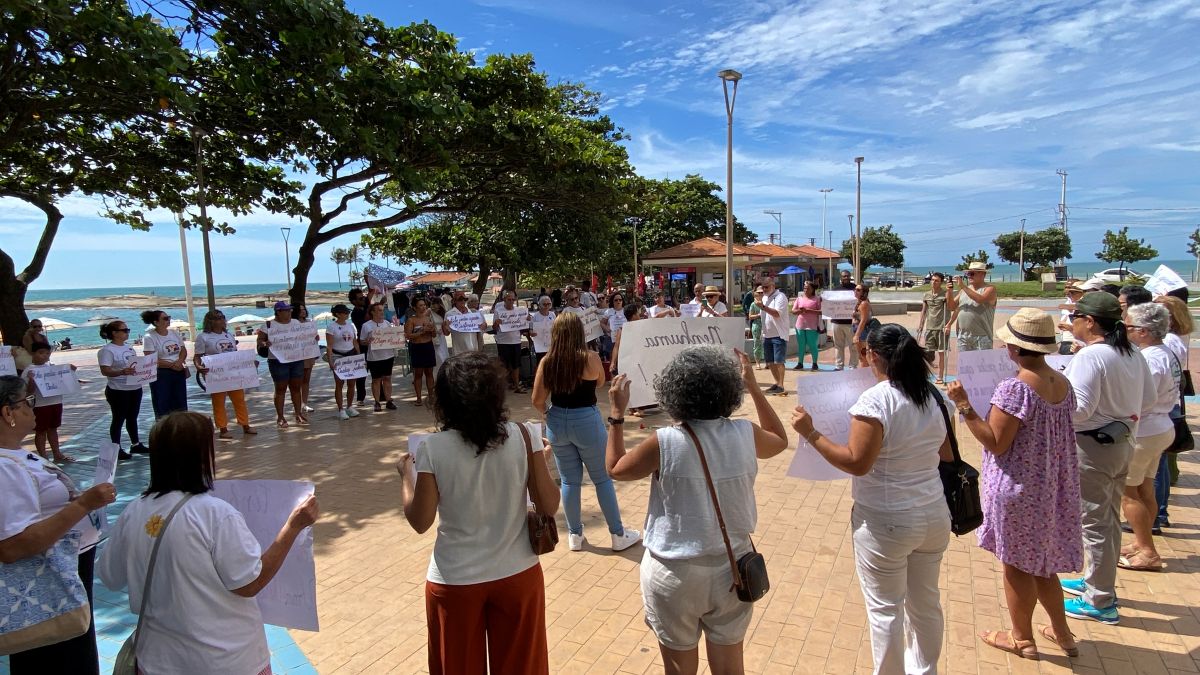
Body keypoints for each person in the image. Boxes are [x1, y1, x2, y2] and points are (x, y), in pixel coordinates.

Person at [604, 346, 788, 674]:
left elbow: (616, 468)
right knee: (731, 668)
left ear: (675, 391)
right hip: (733, 567)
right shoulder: (745, 433)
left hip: (673, 573)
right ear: (728, 390)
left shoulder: (665, 441)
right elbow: (779, 439)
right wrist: (754, 387)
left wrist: (617, 415)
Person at [97, 411, 318, 675]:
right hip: (225, 660)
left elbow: (109, 577)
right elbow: (249, 583)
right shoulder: (215, 513)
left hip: (157, 660)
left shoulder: (133, 511)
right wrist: (292, 528)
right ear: (200, 456)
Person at [791, 324, 953, 674]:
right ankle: (926, 670)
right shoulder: (935, 396)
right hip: (933, 512)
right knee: (926, 603)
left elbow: (857, 463)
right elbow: (947, 455)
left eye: (863, 353)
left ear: (874, 356)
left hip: (886, 518)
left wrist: (811, 433)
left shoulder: (877, 400)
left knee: (885, 609)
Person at [397, 352, 559, 675]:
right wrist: (539, 460)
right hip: (518, 573)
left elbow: (421, 520)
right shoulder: (525, 435)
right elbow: (549, 506)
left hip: (455, 579)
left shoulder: (433, 448)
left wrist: (405, 476)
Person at [946, 309, 1082, 659]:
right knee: (1043, 565)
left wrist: (965, 406)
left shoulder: (1014, 387)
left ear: (1015, 348)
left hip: (1018, 488)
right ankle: (1063, 633)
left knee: (1017, 566)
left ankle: (1021, 638)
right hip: (1050, 488)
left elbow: (995, 441)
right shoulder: (1062, 382)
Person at [0, 376, 116, 675]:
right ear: (7, 413)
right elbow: (14, 545)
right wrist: (82, 505)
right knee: (58, 661)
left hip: (62, 576)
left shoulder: (15, 456)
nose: (32, 408)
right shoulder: (4, 468)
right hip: (45, 584)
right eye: (26, 402)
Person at [1059, 291, 1156, 625]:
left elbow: (1080, 409)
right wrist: (1119, 414)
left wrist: (1053, 406)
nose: (1072, 322)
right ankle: (1095, 581)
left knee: (1095, 522)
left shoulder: (1091, 356)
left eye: (1075, 317)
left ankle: (1099, 600)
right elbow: (1150, 399)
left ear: (1089, 321)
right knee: (1108, 519)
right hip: (1121, 440)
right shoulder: (1131, 353)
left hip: (1092, 446)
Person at [531, 312, 640, 553]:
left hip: (558, 420)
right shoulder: (590, 358)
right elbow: (600, 383)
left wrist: (549, 413)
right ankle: (617, 534)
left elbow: (537, 400)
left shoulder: (547, 361)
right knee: (602, 479)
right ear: (580, 332)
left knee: (569, 481)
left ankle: (574, 534)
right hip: (586, 420)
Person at [1118, 303, 1179, 572]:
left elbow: (1144, 397)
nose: (1125, 331)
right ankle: (1143, 539)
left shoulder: (1152, 358)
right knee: (1144, 488)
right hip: (1160, 427)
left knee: (1127, 493)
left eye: (1129, 327)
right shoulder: (1164, 353)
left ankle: (1148, 551)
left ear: (1143, 331)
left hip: (1146, 430)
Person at [1155, 295, 1193, 525]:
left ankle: (1157, 515)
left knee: (1157, 469)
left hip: (1162, 410)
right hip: (1170, 407)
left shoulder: (1167, 342)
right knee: (1162, 467)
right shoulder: (1175, 340)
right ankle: (1160, 512)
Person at [193, 310, 257, 438]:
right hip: (216, 375)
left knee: (239, 399)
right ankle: (223, 428)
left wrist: (249, 362)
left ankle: (245, 424)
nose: (222, 320)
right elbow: (197, 356)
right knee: (218, 401)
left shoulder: (228, 335)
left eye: (223, 317)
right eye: (218, 318)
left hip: (232, 373)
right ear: (211, 321)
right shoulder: (203, 337)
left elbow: (235, 354)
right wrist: (199, 367)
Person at [97, 320, 147, 459]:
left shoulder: (129, 348)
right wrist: (121, 372)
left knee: (132, 417)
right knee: (118, 418)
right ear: (114, 333)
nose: (127, 333)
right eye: (124, 330)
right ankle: (116, 448)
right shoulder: (107, 350)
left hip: (135, 387)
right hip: (118, 389)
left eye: (127, 330)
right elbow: (105, 370)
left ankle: (135, 443)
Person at [256, 301, 310, 427]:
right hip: (277, 360)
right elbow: (260, 340)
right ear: (278, 312)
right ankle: (280, 417)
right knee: (280, 389)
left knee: (296, 388)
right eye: (286, 310)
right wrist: (264, 344)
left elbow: (304, 336)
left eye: (289, 310)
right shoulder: (268, 325)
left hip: (296, 359)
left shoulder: (296, 323)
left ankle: (298, 414)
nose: (289, 312)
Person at [24, 341, 78, 462]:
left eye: (47, 353)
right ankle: (43, 457)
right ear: (32, 354)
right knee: (41, 431)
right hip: (40, 405)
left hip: (55, 402)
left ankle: (57, 454)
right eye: (41, 353)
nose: (45, 356)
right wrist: (32, 380)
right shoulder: (29, 370)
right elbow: (28, 392)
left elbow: (63, 380)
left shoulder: (51, 367)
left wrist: (71, 371)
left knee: (53, 429)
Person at [141, 309, 189, 418]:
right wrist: (172, 365)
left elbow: (183, 350)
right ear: (156, 322)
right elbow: (150, 358)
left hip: (178, 371)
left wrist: (180, 362)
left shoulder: (174, 333)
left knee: (180, 402)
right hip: (161, 374)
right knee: (163, 404)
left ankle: (181, 428)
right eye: (165, 318)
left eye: (169, 317)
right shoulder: (149, 337)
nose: (168, 320)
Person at [947, 262, 997, 351]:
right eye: (968, 274)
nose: (969, 276)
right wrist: (949, 292)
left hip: (982, 336)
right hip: (963, 336)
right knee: (965, 364)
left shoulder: (990, 289)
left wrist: (963, 286)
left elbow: (980, 299)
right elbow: (951, 307)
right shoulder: (964, 291)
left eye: (972, 273)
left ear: (983, 274)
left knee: (982, 364)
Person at [359, 302, 399, 411]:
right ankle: (377, 402)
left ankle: (388, 400)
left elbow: (393, 336)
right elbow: (362, 341)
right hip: (374, 357)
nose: (382, 312)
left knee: (387, 378)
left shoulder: (387, 323)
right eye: (380, 310)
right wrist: (367, 341)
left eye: (382, 310)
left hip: (388, 356)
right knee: (376, 380)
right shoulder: (366, 326)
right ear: (373, 312)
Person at [325, 304, 361, 420]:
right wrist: (330, 361)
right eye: (345, 312)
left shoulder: (351, 325)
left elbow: (354, 341)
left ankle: (349, 406)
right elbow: (329, 346)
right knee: (339, 384)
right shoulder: (331, 327)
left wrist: (359, 356)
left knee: (352, 383)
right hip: (338, 356)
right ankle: (340, 409)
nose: (347, 314)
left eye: (347, 312)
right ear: (338, 314)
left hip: (351, 356)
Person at [757, 276, 790, 393]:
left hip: (778, 334)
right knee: (770, 362)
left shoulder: (780, 297)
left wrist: (763, 307)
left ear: (773, 286)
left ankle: (781, 386)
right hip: (767, 334)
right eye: (763, 287)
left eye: (767, 287)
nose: (765, 289)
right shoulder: (764, 298)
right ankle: (776, 383)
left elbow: (776, 314)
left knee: (779, 361)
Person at [492, 290, 528, 394]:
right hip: (503, 342)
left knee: (516, 365)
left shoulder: (519, 311)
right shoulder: (499, 311)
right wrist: (496, 323)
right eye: (509, 299)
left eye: (513, 299)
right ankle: (501, 387)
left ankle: (517, 386)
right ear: (504, 299)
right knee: (503, 366)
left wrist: (527, 319)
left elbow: (523, 324)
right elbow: (494, 328)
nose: (511, 301)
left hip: (516, 341)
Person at [917, 273, 951, 383]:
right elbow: (924, 310)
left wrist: (948, 325)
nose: (933, 282)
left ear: (941, 282)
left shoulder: (945, 294)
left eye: (936, 280)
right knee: (928, 352)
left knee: (941, 352)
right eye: (932, 280)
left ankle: (940, 376)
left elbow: (950, 307)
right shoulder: (926, 295)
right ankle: (925, 374)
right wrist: (921, 324)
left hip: (941, 327)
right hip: (930, 327)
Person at [406, 297, 438, 406]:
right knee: (418, 374)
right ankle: (418, 398)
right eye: (420, 305)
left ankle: (431, 396)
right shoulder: (411, 320)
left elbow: (434, 335)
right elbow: (408, 336)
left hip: (428, 346)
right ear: (415, 307)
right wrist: (421, 331)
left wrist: (433, 330)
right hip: (417, 347)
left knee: (429, 373)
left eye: (424, 305)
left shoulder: (428, 318)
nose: (423, 307)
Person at [792, 280, 822, 372]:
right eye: (804, 288)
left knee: (813, 345)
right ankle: (800, 363)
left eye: (808, 288)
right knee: (801, 345)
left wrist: (809, 310)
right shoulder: (799, 299)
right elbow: (793, 311)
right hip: (800, 325)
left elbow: (821, 311)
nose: (805, 290)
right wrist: (800, 311)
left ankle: (815, 364)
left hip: (812, 326)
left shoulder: (817, 299)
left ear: (812, 289)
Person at [830, 270, 857, 370]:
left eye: (847, 276)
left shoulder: (855, 289)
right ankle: (839, 366)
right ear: (840, 278)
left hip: (851, 323)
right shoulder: (835, 290)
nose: (846, 278)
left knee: (853, 346)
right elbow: (830, 304)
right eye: (844, 276)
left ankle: (853, 366)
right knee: (838, 346)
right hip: (837, 322)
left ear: (850, 276)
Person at [294, 304, 317, 414]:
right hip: (297, 355)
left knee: (306, 380)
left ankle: (304, 403)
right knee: (297, 380)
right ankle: (297, 404)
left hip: (308, 353)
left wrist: (316, 338)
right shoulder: (292, 324)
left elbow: (313, 336)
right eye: (300, 310)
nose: (303, 311)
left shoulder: (309, 322)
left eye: (304, 309)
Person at [1056, 281, 1085, 355]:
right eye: (1070, 292)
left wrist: (1070, 328)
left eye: (1073, 292)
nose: (1070, 294)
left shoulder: (1084, 307)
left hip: (1075, 342)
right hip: (1068, 339)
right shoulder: (1070, 302)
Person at [529, 296, 556, 371]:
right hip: (540, 346)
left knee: (552, 364)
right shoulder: (535, 317)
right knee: (541, 365)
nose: (547, 306)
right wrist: (532, 333)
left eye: (549, 304)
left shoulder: (552, 314)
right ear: (539, 305)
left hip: (551, 345)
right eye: (544, 304)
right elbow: (531, 330)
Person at [850, 283, 874, 365]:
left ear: (864, 292)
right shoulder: (859, 302)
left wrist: (857, 335)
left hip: (863, 332)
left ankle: (866, 376)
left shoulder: (864, 303)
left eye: (858, 290)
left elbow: (863, 320)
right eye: (855, 289)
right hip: (859, 330)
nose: (855, 291)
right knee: (861, 357)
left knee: (864, 357)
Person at [428, 296, 450, 371]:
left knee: (443, 354)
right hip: (434, 335)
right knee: (437, 355)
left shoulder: (442, 312)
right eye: (434, 304)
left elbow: (444, 324)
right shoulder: (429, 312)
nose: (436, 307)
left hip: (441, 336)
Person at [747, 287, 764, 368]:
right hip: (757, 324)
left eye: (762, 293)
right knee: (757, 343)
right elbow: (750, 316)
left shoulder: (767, 302)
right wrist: (758, 315)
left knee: (767, 343)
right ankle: (758, 362)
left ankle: (768, 362)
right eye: (759, 293)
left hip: (766, 325)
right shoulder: (753, 304)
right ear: (755, 294)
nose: (761, 294)